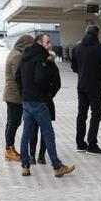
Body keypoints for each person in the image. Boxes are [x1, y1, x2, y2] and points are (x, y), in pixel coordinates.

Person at [16, 33, 76, 177]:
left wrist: (24, 94)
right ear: (39, 43)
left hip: (27, 101)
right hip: (39, 101)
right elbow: (41, 79)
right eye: (47, 42)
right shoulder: (42, 58)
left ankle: (25, 165)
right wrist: (50, 64)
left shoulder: (24, 57)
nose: (50, 45)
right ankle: (57, 166)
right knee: (48, 133)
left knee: (26, 133)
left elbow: (17, 77)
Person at [70, 24, 101, 154]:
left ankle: (80, 143)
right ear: (97, 34)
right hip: (96, 88)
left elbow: (74, 67)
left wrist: (82, 73)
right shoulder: (100, 49)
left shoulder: (77, 47)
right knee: (95, 115)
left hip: (81, 86)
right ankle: (92, 144)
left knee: (81, 114)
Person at [2, 34, 35, 161]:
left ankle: (9, 148)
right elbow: (19, 76)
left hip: (12, 94)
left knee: (12, 122)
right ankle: (9, 149)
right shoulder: (17, 56)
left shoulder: (14, 52)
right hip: (14, 95)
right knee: (13, 122)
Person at [30, 49, 63, 164]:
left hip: (35, 101)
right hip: (47, 102)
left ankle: (32, 156)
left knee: (33, 130)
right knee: (46, 130)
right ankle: (41, 156)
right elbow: (57, 85)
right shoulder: (54, 68)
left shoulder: (37, 66)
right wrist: (50, 94)